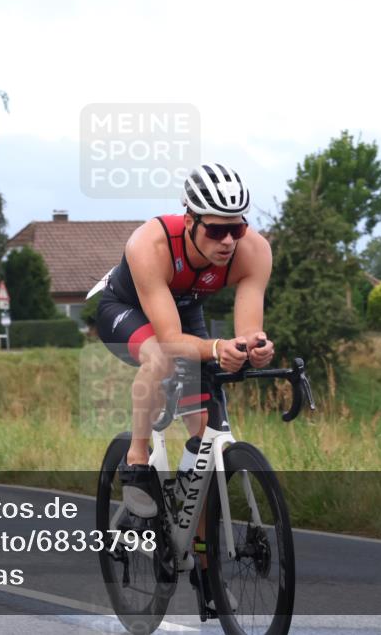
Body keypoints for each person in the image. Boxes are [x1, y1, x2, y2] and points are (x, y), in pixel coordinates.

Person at [92, 162, 274, 515]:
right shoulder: (151, 243)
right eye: (217, 230)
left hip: (185, 310)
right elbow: (172, 338)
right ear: (190, 220)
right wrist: (218, 348)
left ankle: (192, 536)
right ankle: (136, 461)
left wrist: (255, 346)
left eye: (236, 229)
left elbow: (249, 327)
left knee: (205, 431)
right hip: (126, 309)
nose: (227, 242)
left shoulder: (253, 251)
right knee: (160, 358)